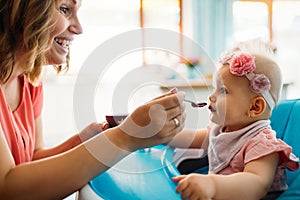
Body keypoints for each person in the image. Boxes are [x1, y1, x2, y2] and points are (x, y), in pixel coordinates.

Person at [0, 0, 186, 199]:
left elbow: (30, 162)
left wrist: (83, 141)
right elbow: (8, 187)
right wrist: (125, 137)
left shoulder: (30, 83)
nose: (79, 28)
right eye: (65, 10)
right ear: (23, 10)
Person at [170, 41, 299, 200]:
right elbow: (195, 138)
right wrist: (165, 136)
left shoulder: (262, 145)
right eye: (215, 88)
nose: (211, 96)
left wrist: (213, 185)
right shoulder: (222, 129)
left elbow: (256, 183)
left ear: (255, 107)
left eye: (223, 90)